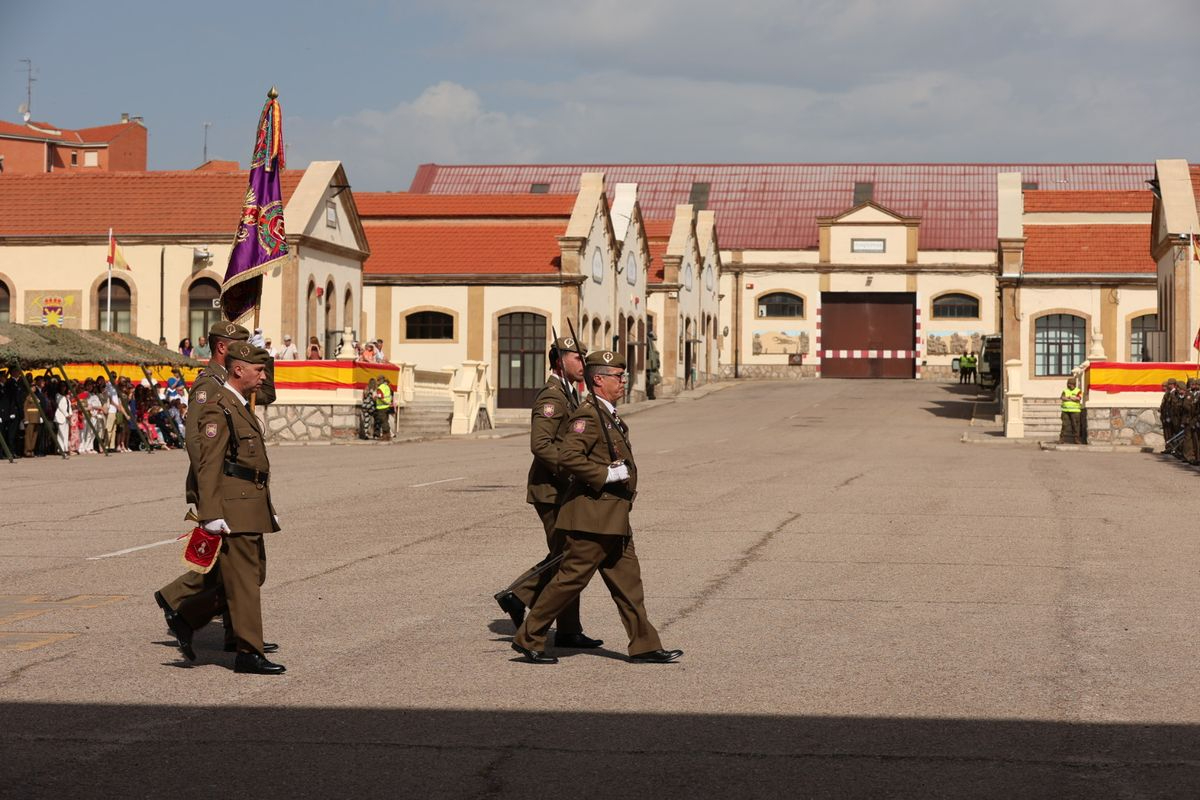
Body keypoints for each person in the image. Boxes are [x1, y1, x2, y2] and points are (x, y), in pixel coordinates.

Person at [512, 350, 682, 665]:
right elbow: (568, 456)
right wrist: (604, 474)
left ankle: (645, 645)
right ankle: (529, 636)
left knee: (629, 585)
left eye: (623, 376)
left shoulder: (608, 414)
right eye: (618, 376)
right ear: (599, 380)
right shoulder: (588, 416)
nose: (623, 381)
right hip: (592, 518)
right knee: (569, 581)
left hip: (613, 516)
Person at [154, 342, 285, 674]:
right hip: (233, 504)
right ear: (238, 370)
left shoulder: (238, 404)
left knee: (250, 573)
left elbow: (252, 462)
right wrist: (210, 513)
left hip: (250, 503)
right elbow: (210, 464)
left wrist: (266, 505)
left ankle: (186, 615)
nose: (264, 376)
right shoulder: (219, 408)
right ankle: (248, 652)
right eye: (259, 370)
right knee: (244, 579)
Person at [494, 336, 603, 650]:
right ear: (559, 361)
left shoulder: (571, 393)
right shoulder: (552, 396)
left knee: (566, 556)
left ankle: (563, 626)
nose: (583, 363)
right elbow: (541, 445)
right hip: (552, 489)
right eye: (577, 357)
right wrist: (573, 470)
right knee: (569, 557)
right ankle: (522, 597)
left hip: (564, 488)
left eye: (584, 357)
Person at [1059, 377, 1083, 445]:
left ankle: (1076, 440)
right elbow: (1062, 397)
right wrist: (1072, 398)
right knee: (1064, 425)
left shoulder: (1078, 391)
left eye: (1070, 384)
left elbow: (1078, 398)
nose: (1069, 385)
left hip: (1075, 411)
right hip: (1065, 410)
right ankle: (1061, 439)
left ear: (1074, 384)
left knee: (1075, 426)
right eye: (1068, 384)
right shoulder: (1065, 391)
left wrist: (1069, 398)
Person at [373, 377, 393, 441]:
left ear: (380, 381)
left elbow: (380, 397)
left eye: (378, 381)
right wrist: (388, 403)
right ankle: (388, 436)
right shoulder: (387, 387)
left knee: (383, 422)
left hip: (382, 407)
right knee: (386, 421)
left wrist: (376, 397)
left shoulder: (380, 388)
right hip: (387, 407)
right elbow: (388, 396)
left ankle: (385, 436)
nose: (377, 382)